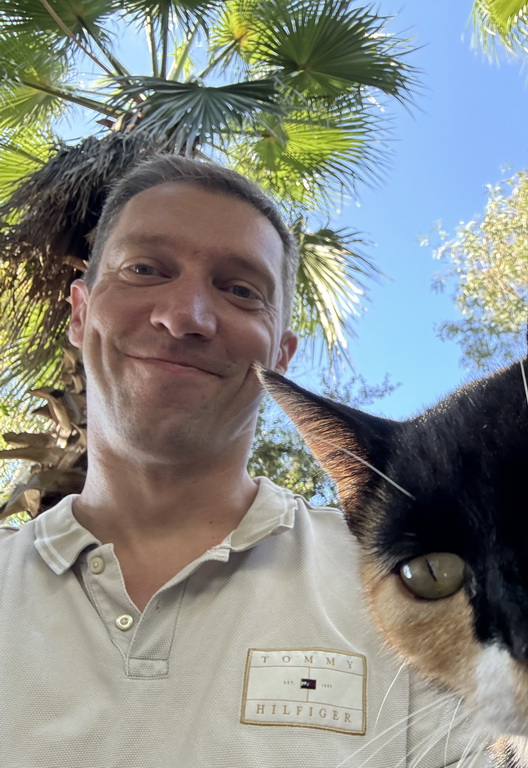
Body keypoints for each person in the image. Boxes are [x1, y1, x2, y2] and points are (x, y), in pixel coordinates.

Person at [0, 156, 477, 767]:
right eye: (145, 269)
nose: (184, 317)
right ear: (79, 311)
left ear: (280, 354)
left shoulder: (403, 582)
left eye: (240, 290)